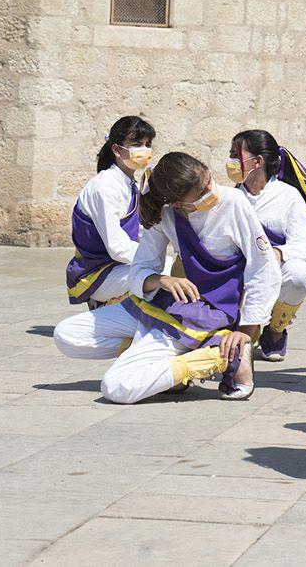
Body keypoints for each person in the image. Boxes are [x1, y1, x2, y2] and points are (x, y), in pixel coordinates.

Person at [52, 151, 281, 403]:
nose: (211, 190)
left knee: (116, 387)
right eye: (202, 191)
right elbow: (141, 266)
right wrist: (161, 280)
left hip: (203, 315)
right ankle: (161, 361)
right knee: (66, 335)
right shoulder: (166, 214)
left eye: (209, 181)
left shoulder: (234, 202)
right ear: (178, 204)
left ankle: (219, 356)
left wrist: (246, 333)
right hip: (162, 305)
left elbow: (264, 268)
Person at [228, 129, 306, 363]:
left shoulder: (289, 197)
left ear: (257, 162)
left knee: (299, 274)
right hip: (236, 268)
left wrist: (277, 253)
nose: (231, 162)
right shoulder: (228, 196)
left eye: (236, 155)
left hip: (273, 267)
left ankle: (275, 330)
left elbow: (304, 245)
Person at [64, 116, 155, 307]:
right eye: (137, 144)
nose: (144, 150)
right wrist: (151, 259)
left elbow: (139, 231)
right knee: (163, 277)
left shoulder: (131, 185)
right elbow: (116, 246)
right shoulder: (105, 186)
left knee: (172, 267)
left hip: (119, 266)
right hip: (96, 274)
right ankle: (106, 306)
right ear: (116, 149)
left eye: (148, 144)